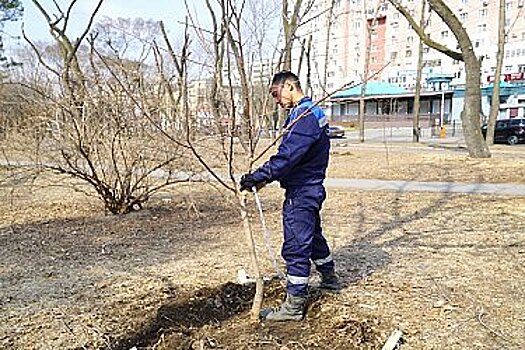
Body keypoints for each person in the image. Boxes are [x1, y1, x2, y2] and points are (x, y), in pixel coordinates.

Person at [240, 71, 341, 322]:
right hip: (310, 187)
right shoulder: (309, 112)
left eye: (276, 93)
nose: (275, 99)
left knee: (296, 245)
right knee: (313, 237)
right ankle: (330, 278)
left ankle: (294, 306)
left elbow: (287, 157)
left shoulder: (305, 116)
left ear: (289, 86)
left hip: (302, 191)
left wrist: (258, 176)